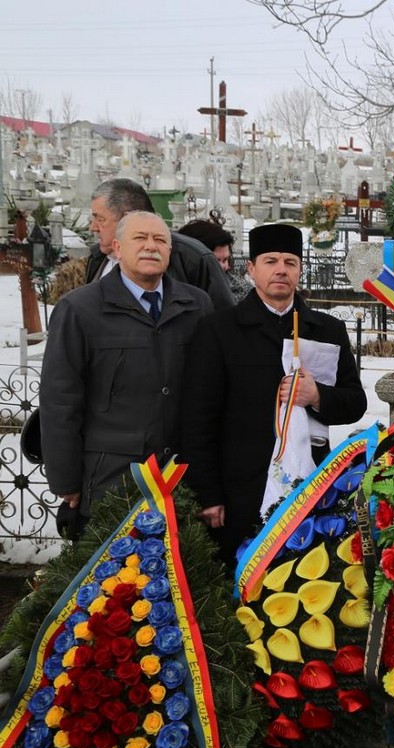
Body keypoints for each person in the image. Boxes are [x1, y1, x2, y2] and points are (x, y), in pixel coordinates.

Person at [181, 224, 367, 564]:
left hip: (307, 487)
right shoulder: (219, 330)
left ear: (300, 269)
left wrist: (316, 396)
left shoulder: (327, 329)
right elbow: (197, 419)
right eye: (270, 261)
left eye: (290, 261)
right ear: (252, 269)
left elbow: (355, 402)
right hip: (239, 490)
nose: (281, 269)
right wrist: (208, 495)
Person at [40, 212, 213, 534]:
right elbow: (60, 400)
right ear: (117, 248)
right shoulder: (80, 310)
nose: (151, 247)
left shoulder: (196, 305)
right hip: (113, 479)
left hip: (182, 476)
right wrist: (65, 480)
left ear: (170, 251)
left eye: (160, 240)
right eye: (140, 238)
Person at [86, 178, 234, 309]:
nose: (93, 228)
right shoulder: (97, 257)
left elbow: (222, 320)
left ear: (128, 217)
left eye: (100, 219)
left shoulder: (191, 258)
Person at [178, 217, 252, 303]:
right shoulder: (166, 290)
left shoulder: (241, 292)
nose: (223, 266)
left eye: (225, 260)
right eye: (215, 261)